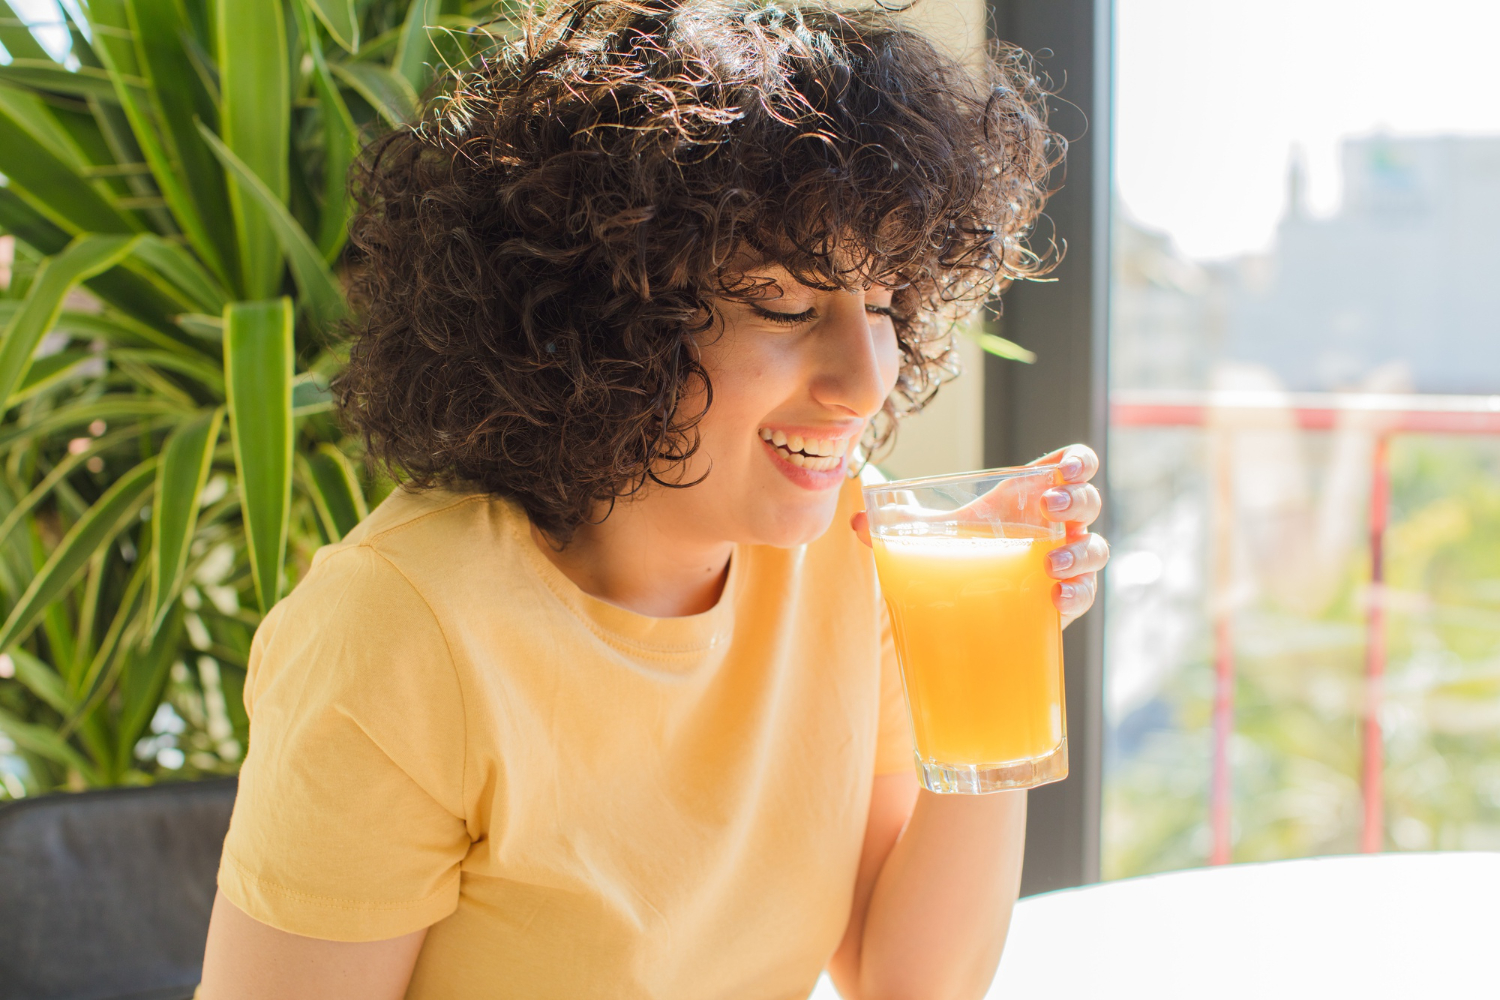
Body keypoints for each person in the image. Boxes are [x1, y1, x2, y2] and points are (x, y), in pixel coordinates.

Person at [196, 1, 1109, 997]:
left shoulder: (854, 545)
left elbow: (905, 980)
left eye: (886, 304)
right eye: (789, 306)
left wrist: (991, 655)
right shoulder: (405, 631)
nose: (866, 376)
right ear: (615, 317)